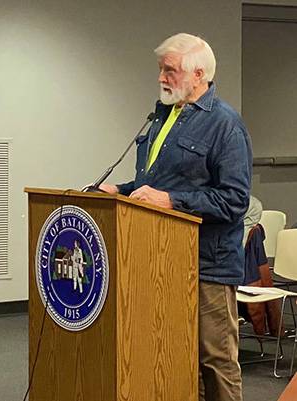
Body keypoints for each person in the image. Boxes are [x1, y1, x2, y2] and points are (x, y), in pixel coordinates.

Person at [99, 33, 252, 401]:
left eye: (169, 70)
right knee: (177, 360)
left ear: (198, 74)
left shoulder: (225, 125)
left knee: (215, 363)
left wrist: (171, 200)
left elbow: (234, 200)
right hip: (160, 262)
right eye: (161, 69)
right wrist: (119, 190)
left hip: (207, 266)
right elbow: (153, 183)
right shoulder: (164, 116)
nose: (161, 78)